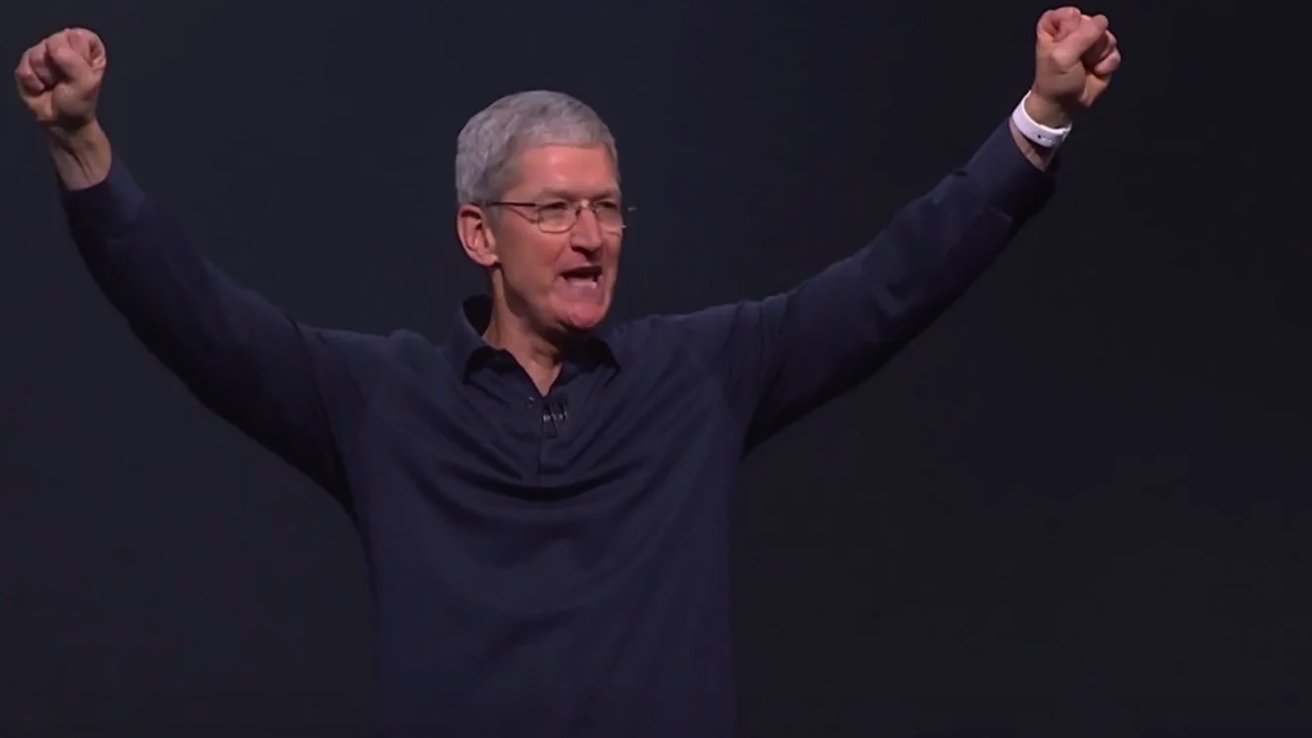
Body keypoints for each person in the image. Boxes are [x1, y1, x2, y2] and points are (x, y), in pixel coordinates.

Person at [14, 8, 1120, 737]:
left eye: (606, 207)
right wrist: (81, 151)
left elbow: (894, 280)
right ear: (479, 234)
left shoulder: (702, 374)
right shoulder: (378, 401)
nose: (590, 234)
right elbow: (195, 318)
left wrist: (1038, 123)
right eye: (553, 210)